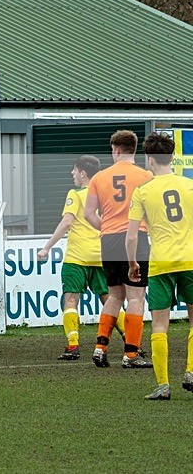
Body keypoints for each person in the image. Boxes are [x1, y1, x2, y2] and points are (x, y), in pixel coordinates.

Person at [37, 156, 129, 359]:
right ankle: (131, 343)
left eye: (74, 170)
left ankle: (73, 346)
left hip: (77, 256)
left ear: (83, 173)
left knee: (70, 300)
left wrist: (46, 248)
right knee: (111, 299)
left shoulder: (76, 194)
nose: (72, 174)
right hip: (102, 254)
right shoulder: (105, 193)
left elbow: (67, 222)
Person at [126, 132, 193, 399]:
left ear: (149, 159)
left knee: (159, 324)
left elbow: (132, 235)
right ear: (173, 156)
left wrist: (132, 262)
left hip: (161, 262)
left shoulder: (143, 191)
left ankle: (163, 385)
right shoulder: (189, 186)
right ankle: (190, 371)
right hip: (190, 259)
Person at [84, 130, 153, 368]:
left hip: (109, 238)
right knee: (136, 296)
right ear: (133, 150)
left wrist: (106, 228)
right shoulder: (146, 176)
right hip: (136, 237)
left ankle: (100, 348)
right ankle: (131, 354)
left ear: (116, 150)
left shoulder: (99, 178)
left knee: (114, 295)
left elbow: (88, 214)